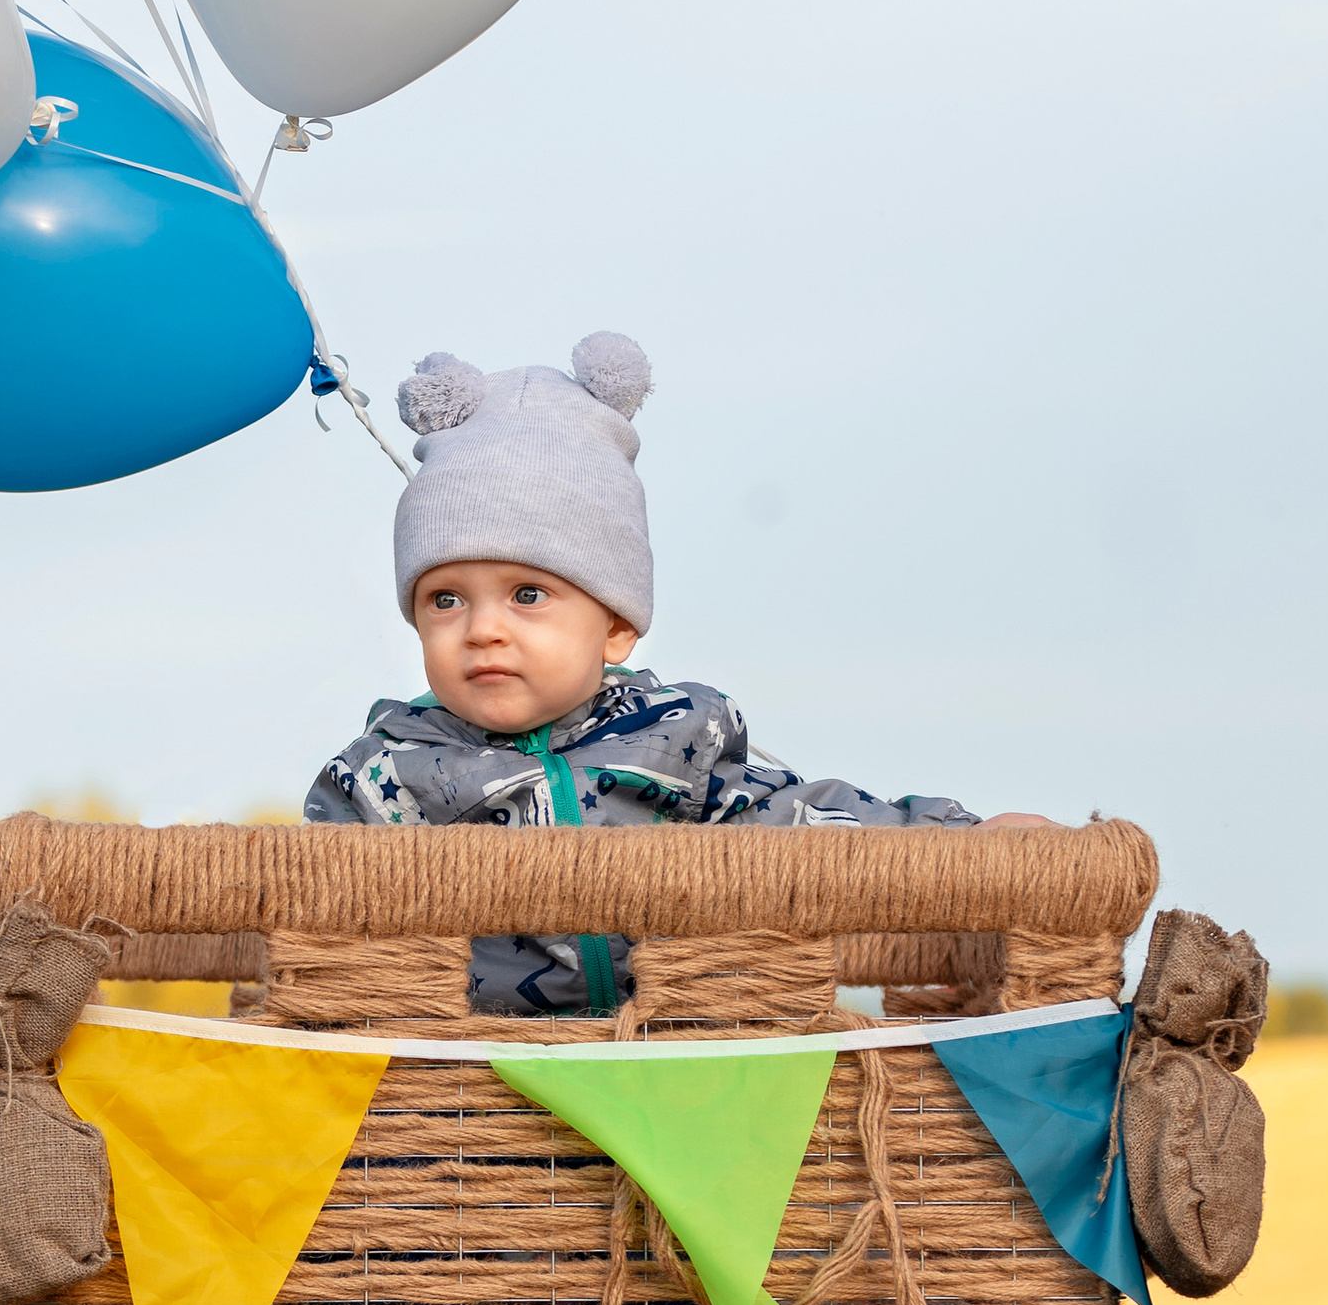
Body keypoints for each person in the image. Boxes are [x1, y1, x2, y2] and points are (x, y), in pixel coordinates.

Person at [302, 333, 1051, 1013]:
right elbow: (310, 906)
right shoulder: (386, 772)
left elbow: (805, 826)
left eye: (528, 595)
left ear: (616, 627)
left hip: (666, 1062)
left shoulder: (670, 738)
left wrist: (962, 843)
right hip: (467, 1076)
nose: (482, 628)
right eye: (445, 599)